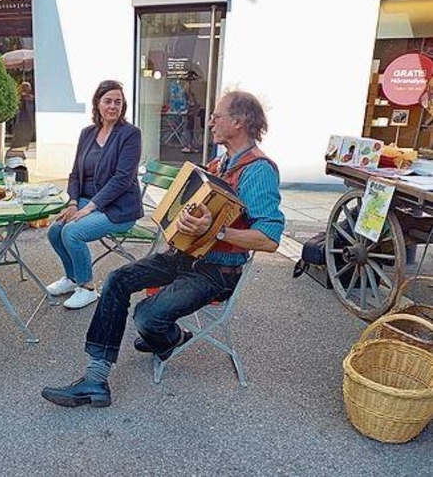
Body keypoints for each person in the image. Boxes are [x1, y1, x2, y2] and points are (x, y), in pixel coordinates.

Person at [41, 90, 285, 407]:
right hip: (185, 256)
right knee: (116, 279)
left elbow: (269, 238)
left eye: (217, 115)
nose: (210, 120)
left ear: (238, 122)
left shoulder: (259, 170)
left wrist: (217, 230)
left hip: (218, 271)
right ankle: (95, 380)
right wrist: (185, 219)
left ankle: (168, 337)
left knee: (146, 316)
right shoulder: (220, 162)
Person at [46, 80, 144, 310]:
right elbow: (75, 174)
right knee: (54, 231)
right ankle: (72, 279)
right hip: (85, 202)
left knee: (72, 233)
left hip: (118, 208)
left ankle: (88, 288)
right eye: (108, 101)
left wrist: (90, 207)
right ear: (97, 104)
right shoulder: (87, 134)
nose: (113, 106)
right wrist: (71, 202)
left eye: (118, 102)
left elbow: (122, 178)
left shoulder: (130, 134)